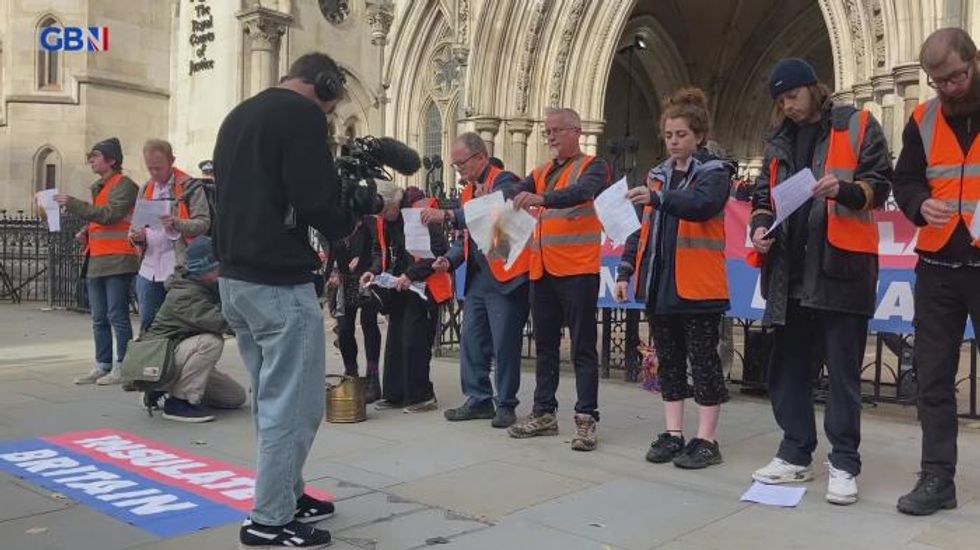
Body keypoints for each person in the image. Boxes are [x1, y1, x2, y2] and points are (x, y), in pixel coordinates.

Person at [213, 52, 357, 549]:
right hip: (277, 281)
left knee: (272, 400)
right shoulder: (300, 115)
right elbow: (317, 199)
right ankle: (269, 521)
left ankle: (287, 494)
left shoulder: (241, 113)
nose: (330, 118)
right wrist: (349, 215)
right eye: (332, 107)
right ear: (325, 84)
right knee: (293, 406)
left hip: (238, 279)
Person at [747, 58, 892, 505]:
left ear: (813, 88)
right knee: (786, 369)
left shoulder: (858, 124)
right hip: (788, 274)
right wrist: (760, 225)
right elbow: (761, 197)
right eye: (780, 100)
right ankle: (794, 453)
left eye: (792, 95)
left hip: (841, 271)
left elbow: (880, 184)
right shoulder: (777, 142)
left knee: (843, 375)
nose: (787, 106)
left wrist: (844, 191)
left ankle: (844, 463)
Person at [614, 88, 731, 469]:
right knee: (669, 359)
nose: (674, 142)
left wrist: (658, 198)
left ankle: (707, 439)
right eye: (668, 135)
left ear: (698, 135)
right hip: (661, 283)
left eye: (681, 135)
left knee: (703, 360)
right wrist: (626, 269)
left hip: (698, 286)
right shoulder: (657, 177)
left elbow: (702, 206)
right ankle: (674, 432)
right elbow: (640, 228)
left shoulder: (714, 172)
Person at [893, 28, 980, 516]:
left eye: (956, 77)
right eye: (938, 81)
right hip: (937, 265)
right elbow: (904, 179)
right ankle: (936, 478)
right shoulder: (922, 118)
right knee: (933, 378)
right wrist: (918, 203)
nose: (948, 88)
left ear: (975, 61)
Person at [507, 108, 611, 452]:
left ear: (575, 131)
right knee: (546, 346)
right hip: (543, 271)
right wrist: (506, 192)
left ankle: (585, 419)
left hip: (578, 269)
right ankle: (544, 412)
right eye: (547, 131)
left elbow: (583, 193)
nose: (550, 136)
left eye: (556, 130)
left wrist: (542, 199)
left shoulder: (592, 166)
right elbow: (515, 188)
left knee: (582, 347)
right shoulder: (541, 171)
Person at [422, 132, 530, 429]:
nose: (459, 171)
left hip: (506, 277)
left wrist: (446, 215)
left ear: (481, 156)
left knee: (504, 343)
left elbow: (497, 207)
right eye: (455, 166)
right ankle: (478, 398)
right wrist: (451, 259)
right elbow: (465, 237)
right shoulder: (468, 191)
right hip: (479, 278)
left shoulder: (505, 179)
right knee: (471, 339)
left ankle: (505, 404)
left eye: (461, 164)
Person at [361, 183, 451, 413]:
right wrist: (374, 270)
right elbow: (379, 250)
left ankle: (423, 395)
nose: (382, 217)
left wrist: (411, 274)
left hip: (422, 283)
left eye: (384, 211)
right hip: (398, 285)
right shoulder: (384, 219)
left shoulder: (419, 209)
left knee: (414, 339)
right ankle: (396, 394)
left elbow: (439, 248)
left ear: (394, 202)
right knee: (395, 339)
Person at [56, 138, 139, 386]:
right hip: (96, 258)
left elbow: (111, 215)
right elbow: (100, 218)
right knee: (99, 317)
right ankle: (102, 364)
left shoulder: (124, 185)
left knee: (117, 315)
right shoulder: (100, 186)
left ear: (112, 160)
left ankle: (122, 365)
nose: (91, 160)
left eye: (95, 156)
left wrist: (73, 204)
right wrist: (86, 230)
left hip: (118, 258)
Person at [139, 236, 246, 422]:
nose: (223, 271)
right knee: (211, 342)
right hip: (158, 360)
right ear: (203, 270)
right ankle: (179, 402)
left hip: (177, 356)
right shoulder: (184, 296)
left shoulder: (205, 286)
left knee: (234, 397)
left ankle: (161, 392)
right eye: (218, 267)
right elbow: (224, 323)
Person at [130, 139, 211, 333]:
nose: (155, 174)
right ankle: (151, 361)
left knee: (179, 323)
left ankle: (176, 362)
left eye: (159, 168)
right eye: (150, 169)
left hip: (177, 266)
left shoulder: (189, 186)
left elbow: (203, 223)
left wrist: (177, 222)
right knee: (148, 322)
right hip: (148, 268)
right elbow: (135, 225)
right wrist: (137, 236)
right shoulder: (145, 188)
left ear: (171, 160)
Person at [322, 216, 382, 403]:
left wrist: (371, 267)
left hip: (366, 276)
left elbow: (378, 249)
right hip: (343, 277)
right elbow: (327, 242)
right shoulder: (334, 219)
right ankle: (351, 373)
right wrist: (333, 269)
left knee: (368, 322)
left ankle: (372, 377)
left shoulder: (370, 223)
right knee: (345, 327)